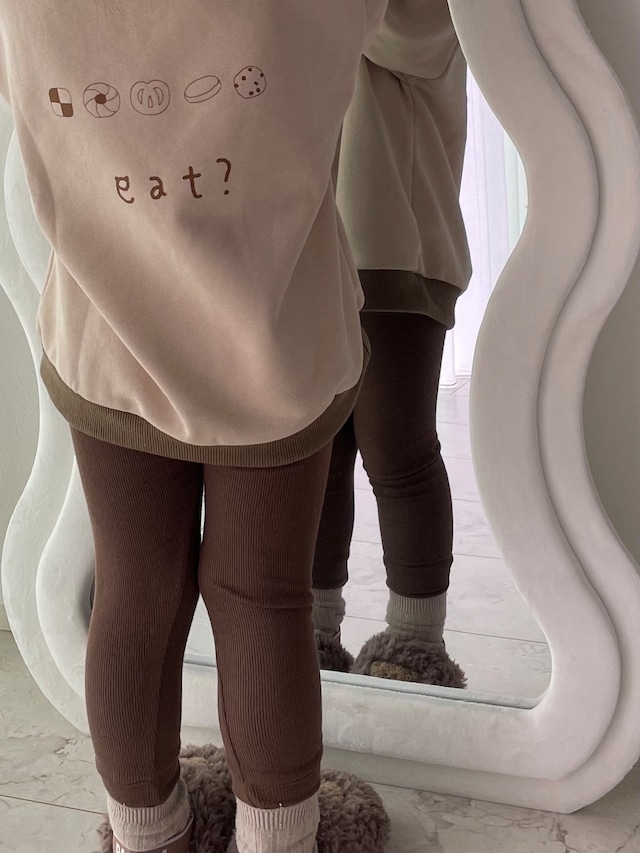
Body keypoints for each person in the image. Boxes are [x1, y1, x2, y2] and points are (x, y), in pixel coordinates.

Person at [0, 1, 390, 852]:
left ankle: (147, 836)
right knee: (263, 599)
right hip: (272, 336)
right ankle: (279, 839)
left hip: (108, 330)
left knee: (133, 594)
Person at [312, 0, 473, 688]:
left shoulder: (428, 14)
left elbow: (416, 39)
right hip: (311, 246)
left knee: (397, 448)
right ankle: (312, 633)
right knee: (318, 452)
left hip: (397, 244)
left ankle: (415, 641)